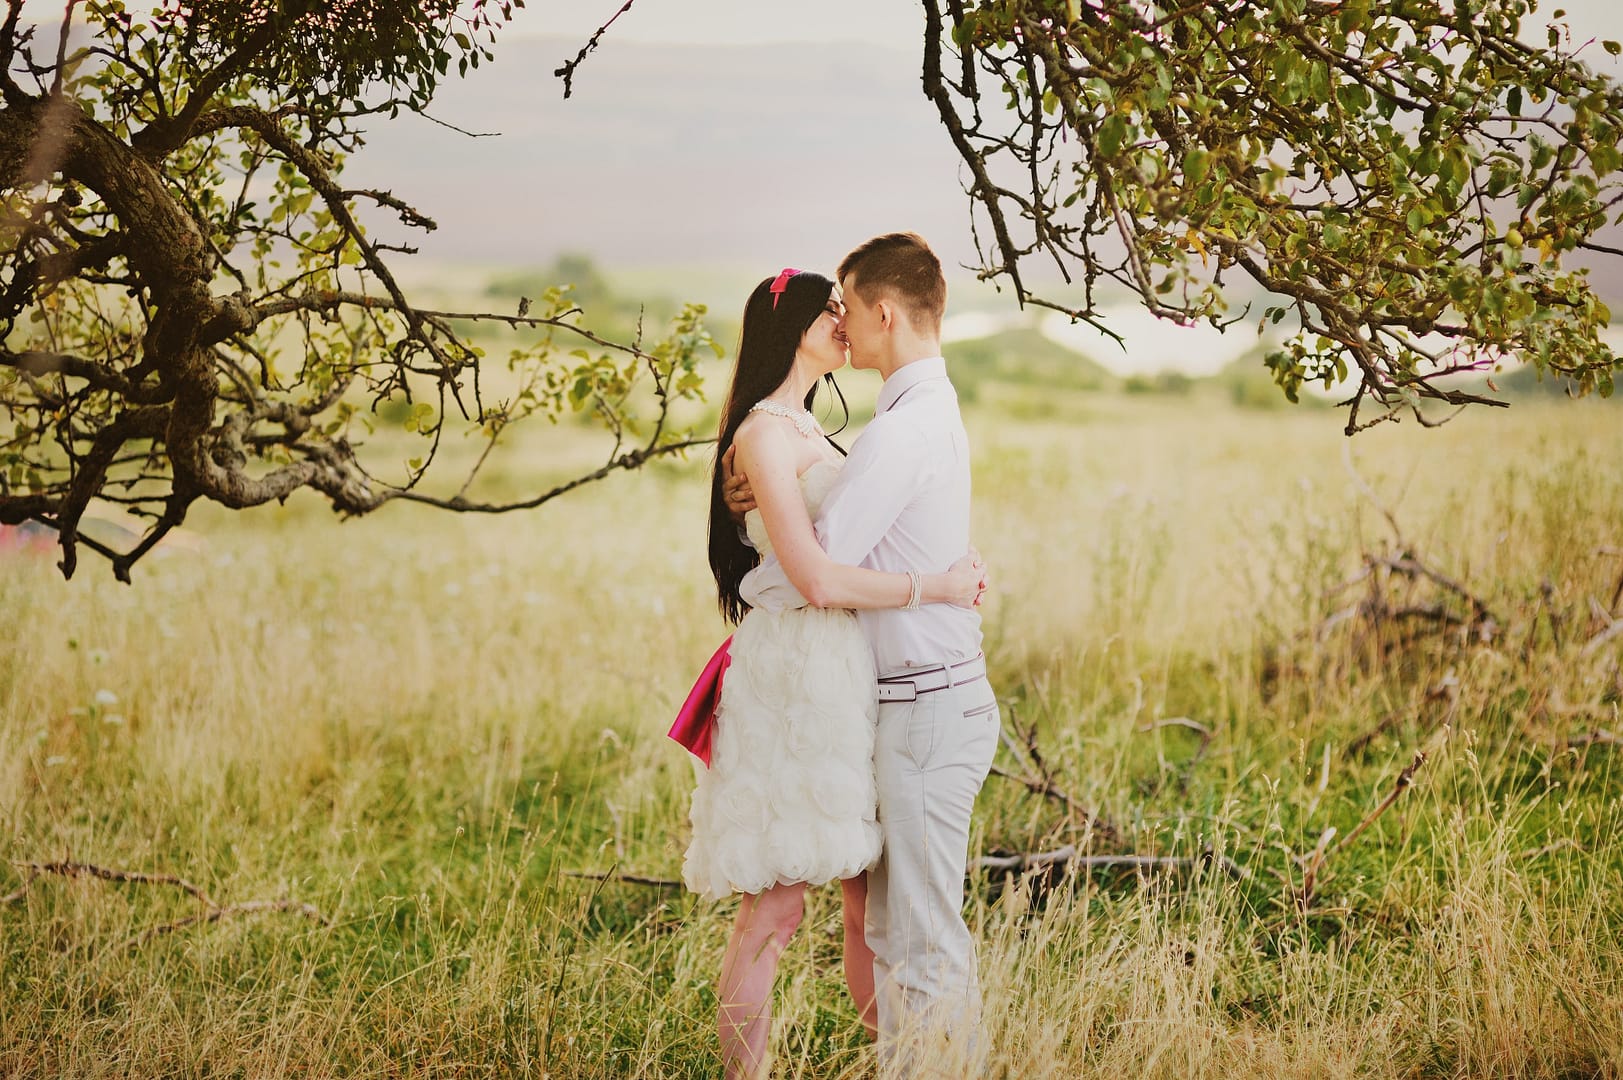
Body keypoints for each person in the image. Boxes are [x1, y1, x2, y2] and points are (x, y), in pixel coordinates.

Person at [682, 266, 985, 1080]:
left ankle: (897, 1062)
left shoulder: (813, 432)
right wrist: (938, 587)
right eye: (829, 309)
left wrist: (944, 556)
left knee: (864, 905)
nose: (844, 321)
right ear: (792, 327)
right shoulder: (762, 435)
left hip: (846, 674)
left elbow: (859, 536)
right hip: (794, 680)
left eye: (845, 307)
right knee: (775, 904)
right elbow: (814, 577)